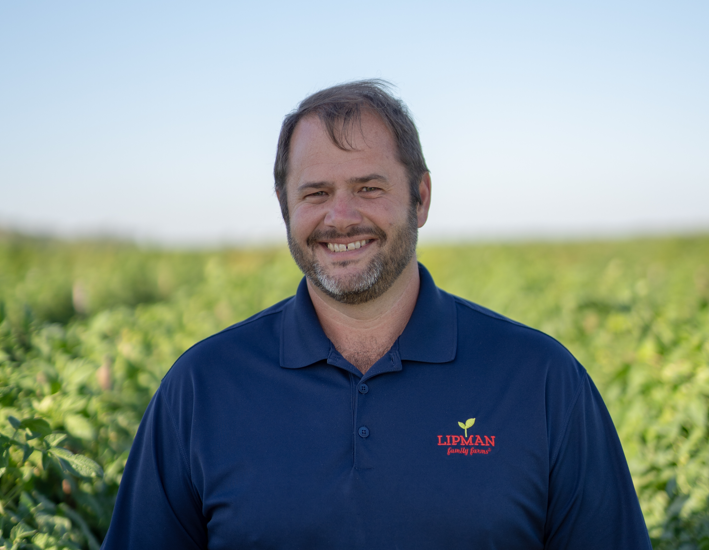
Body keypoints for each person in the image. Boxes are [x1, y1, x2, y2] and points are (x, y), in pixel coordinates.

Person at [101, 80, 652, 549]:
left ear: (421, 198)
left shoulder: (542, 380)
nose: (341, 217)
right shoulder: (201, 388)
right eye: (315, 192)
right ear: (285, 208)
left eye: (369, 187)